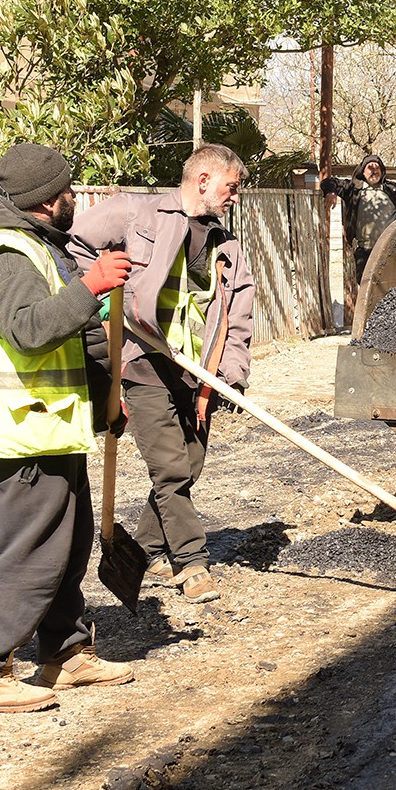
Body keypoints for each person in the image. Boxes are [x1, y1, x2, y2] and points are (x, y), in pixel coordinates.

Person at [0, 144, 136, 713]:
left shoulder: (38, 244)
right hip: (19, 427)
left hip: (52, 421)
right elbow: (29, 331)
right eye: (70, 189)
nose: (76, 196)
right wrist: (91, 286)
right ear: (50, 201)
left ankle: (66, 654)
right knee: (30, 550)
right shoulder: (4, 251)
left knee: (68, 545)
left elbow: (74, 333)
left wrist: (106, 396)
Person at [71, 144, 255, 604]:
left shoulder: (226, 245)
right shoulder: (137, 212)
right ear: (204, 180)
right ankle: (191, 563)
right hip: (142, 361)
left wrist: (230, 374)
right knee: (171, 470)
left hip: (196, 371)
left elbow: (239, 315)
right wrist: (96, 296)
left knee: (189, 466)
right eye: (231, 187)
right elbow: (73, 245)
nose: (235, 196)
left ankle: (148, 548)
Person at [321, 154, 396, 319]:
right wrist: (331, 192)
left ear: (382, 170)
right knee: (367, 288)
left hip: (391, 248)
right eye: (370, 167)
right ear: (363, 171)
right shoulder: (353, 189)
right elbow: (328, 181)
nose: (374, 170)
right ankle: (372, 323)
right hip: (365, 250)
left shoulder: (393, 189)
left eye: (377, 167)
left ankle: (393, 321)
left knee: (391, 286)